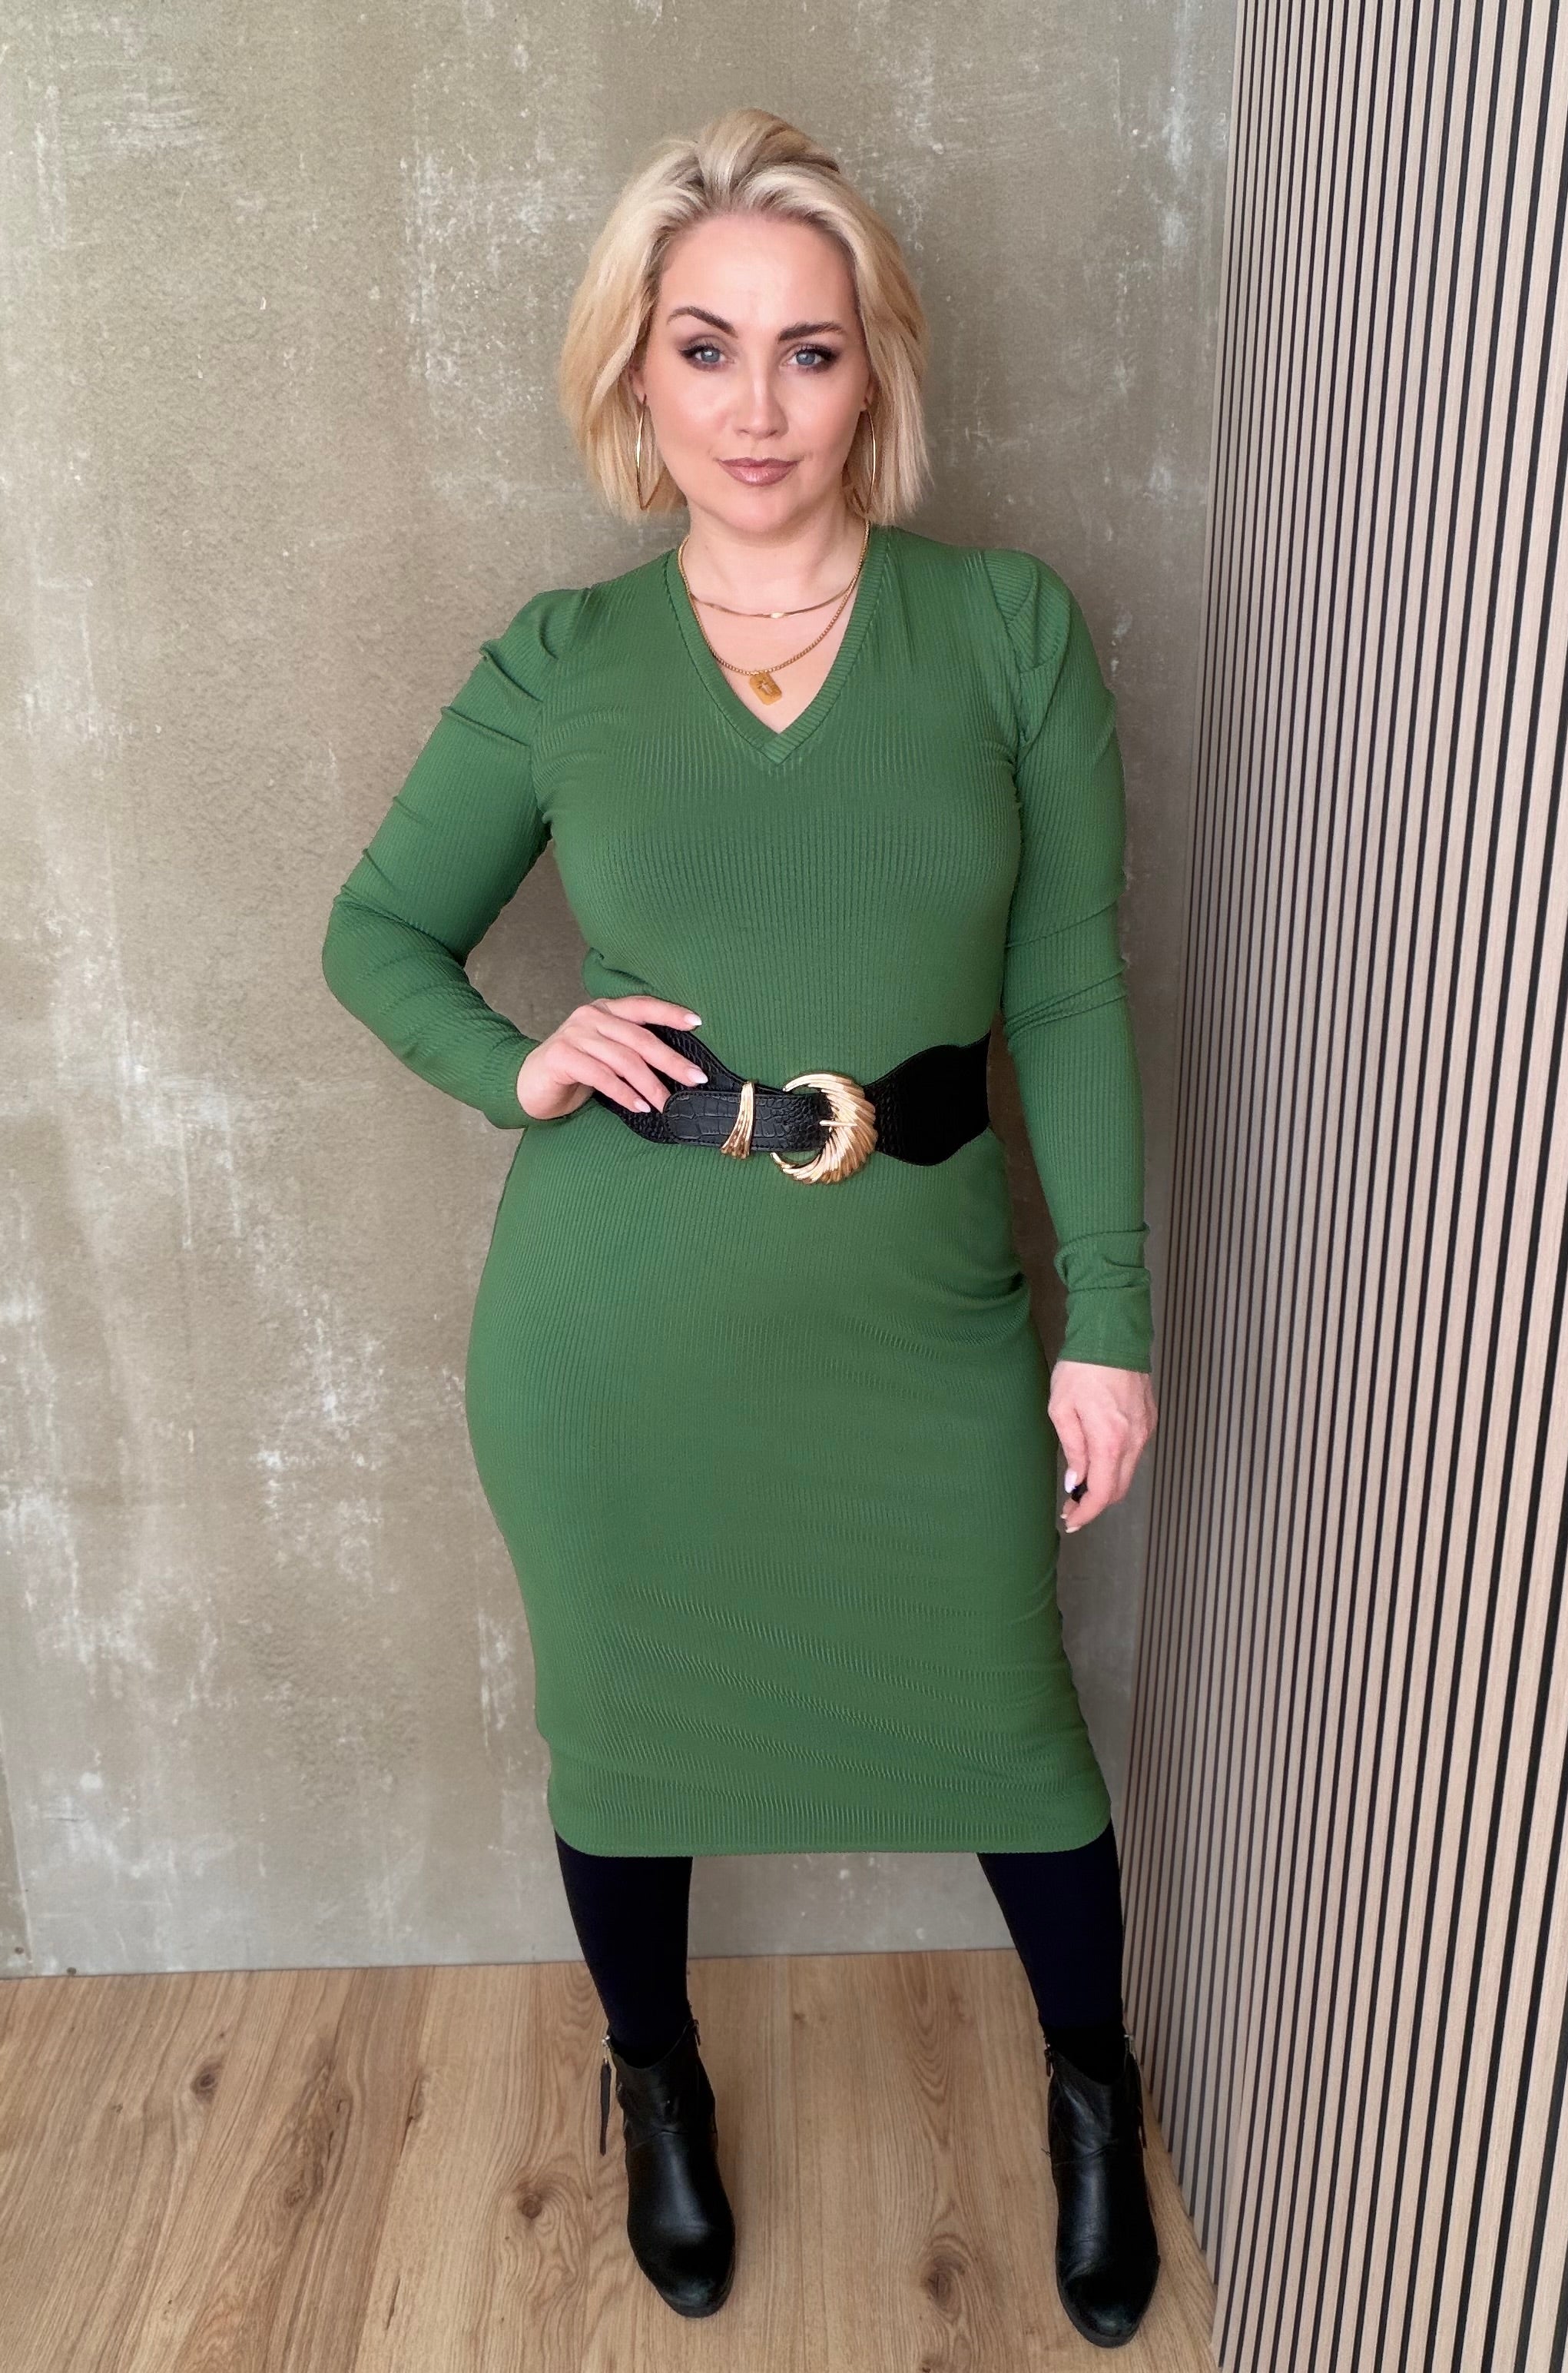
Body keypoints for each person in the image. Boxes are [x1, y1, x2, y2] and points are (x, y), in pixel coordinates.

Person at [320, 105, 1162, 2348]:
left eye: (809, 349)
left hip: (921, 1302)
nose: (757, 406)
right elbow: (376, 932)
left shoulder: (1005, 631)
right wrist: (523, 1061)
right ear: (636, 370)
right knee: (629, 1735)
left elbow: (1071, 993)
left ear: (875, 370)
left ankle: (1092, 2087)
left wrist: (1109, 1321)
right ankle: (657, 2083)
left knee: (1011, 1726)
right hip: (617, 1325)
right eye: (704, 347)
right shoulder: (563, 659)